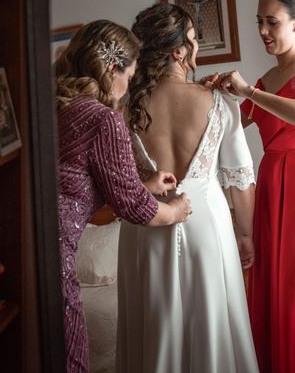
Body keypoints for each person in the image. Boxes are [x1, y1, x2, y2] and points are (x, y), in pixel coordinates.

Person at [116, 2, 259, 373]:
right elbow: (241, 180)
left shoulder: (124, 107)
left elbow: (117, 180)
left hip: (145, 229)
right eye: (194, 40)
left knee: (152, 325)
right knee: (211, 324)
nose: (197, 49)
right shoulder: (218, 103)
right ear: (178, 51)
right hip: (206, 230)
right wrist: (246, 235)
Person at [55, 19, 192, 373]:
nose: (127, 87)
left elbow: (86, 182)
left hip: (33, 251)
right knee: (69, 357)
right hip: (56, 258)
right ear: (112, 68)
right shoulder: (103, 118)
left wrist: (145, 184)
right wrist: (175, 210)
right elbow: (133, 208)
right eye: (129, 77)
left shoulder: (58, 107)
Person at [206, 0, 295, 373]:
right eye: (259, 23)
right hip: (271, 184)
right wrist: (215, 98)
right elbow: (232, 127)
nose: (264, 31)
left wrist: (249, 90)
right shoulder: (270, 77)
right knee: (270, 278)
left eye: (273, 22)